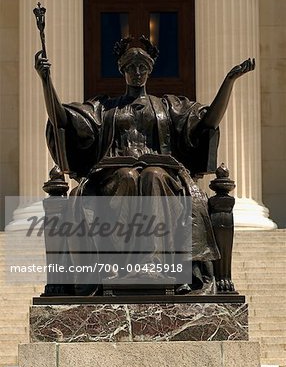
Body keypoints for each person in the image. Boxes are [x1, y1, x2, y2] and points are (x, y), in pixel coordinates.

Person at [35, 36, 255, 295]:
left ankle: (156, 264)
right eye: (131, 67)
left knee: (153, 176)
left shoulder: (168, 106)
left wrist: (229, 82)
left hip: (163, 174)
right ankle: (120, 266)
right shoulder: (104, 108)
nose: (137, 73)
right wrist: (45, 81)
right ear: (122, 70)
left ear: (150, 70)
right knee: (127, 176)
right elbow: (62, 120)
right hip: (112, 174)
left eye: (142, 67)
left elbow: (207, 123)